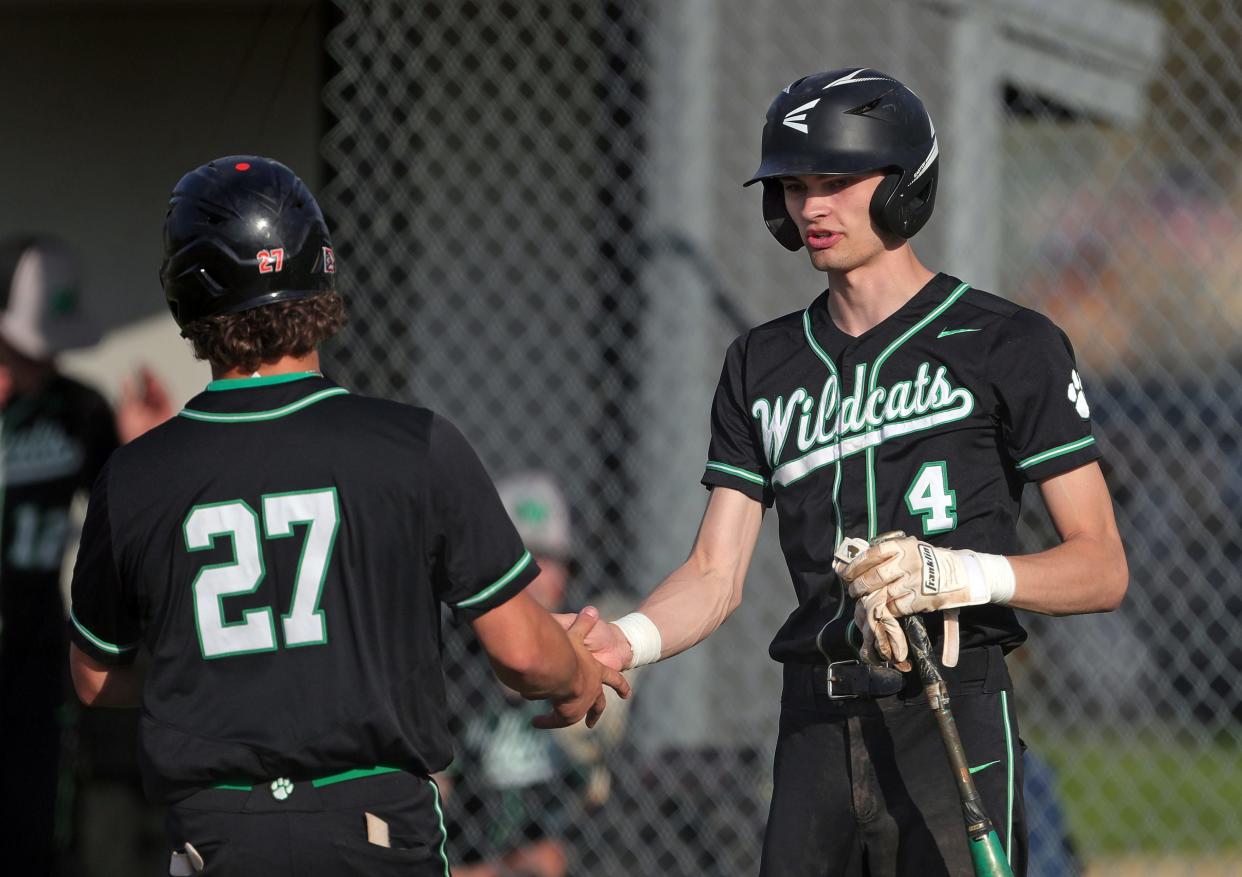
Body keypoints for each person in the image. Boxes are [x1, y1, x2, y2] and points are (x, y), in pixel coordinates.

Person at [568, 69, 1128, 876]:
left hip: (953, 704)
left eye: (837, 181)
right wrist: (625, 641)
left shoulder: (1010, 343)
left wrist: (953, 572)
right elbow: (713, 572)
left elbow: (1100, 566)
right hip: (816, 723)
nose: (811, 207)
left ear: (903, 186)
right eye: (795, 186)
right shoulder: (761, 362)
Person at [66, 155, 627, 877]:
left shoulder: (136, 474)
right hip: (372, 824)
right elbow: (521, 652)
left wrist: (218, 671)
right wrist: (576, 673)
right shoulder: (413, 444)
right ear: (320, 275)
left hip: (218, 831)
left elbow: (93, 676)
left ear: (186, 297)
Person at [0, 234, 170, 874]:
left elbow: (127, 529)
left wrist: (146, 453)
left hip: (34, 650)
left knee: (35, 819)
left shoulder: (78, 410)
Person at [444, 472, 625, 877]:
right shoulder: (449, 662)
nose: (539, 579)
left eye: (551, 561)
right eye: (523, 560)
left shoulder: (589, 656)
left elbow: (593, 809)